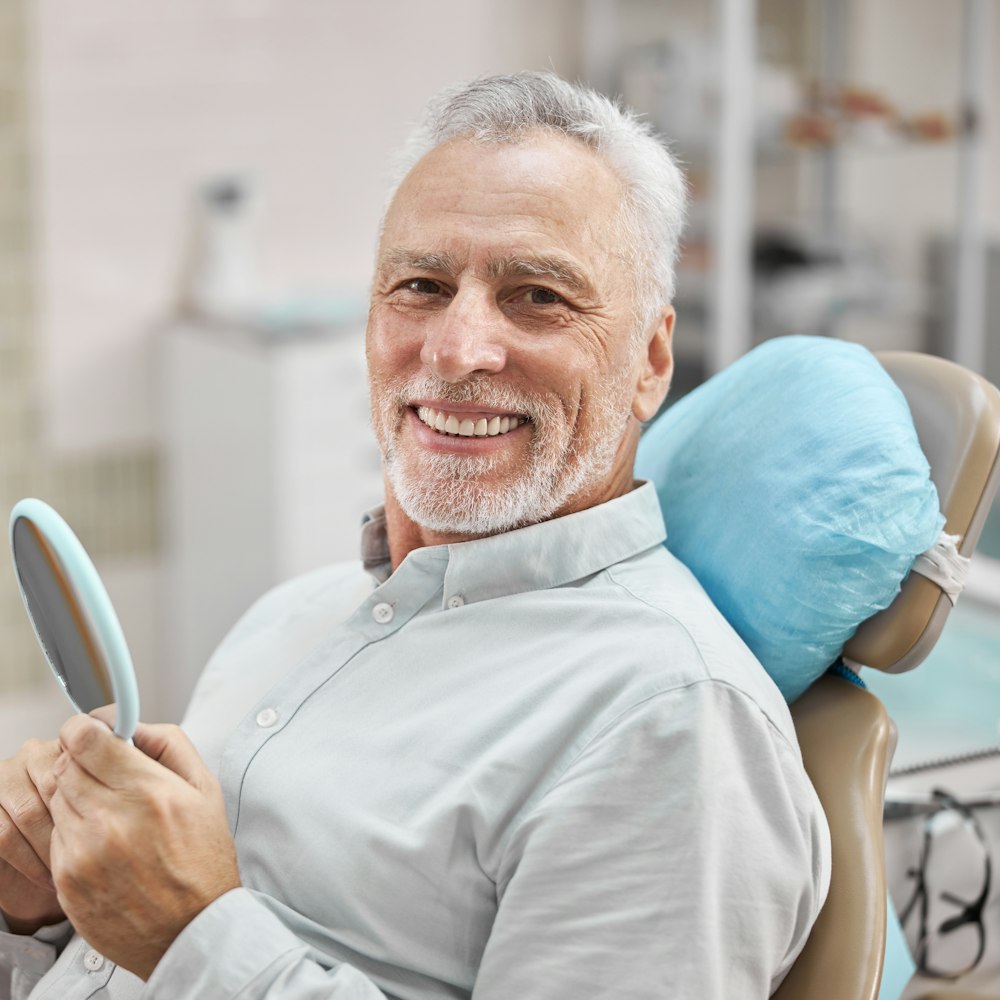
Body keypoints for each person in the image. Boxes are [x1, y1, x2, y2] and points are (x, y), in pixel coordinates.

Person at [0, 72, 830, 999]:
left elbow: (182, 939)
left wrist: (191, 936)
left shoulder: (670, 723)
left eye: (537, 296)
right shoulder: (293, 615)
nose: (454, 349)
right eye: (422, 286)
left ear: (650, 359)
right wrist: (40, 912)